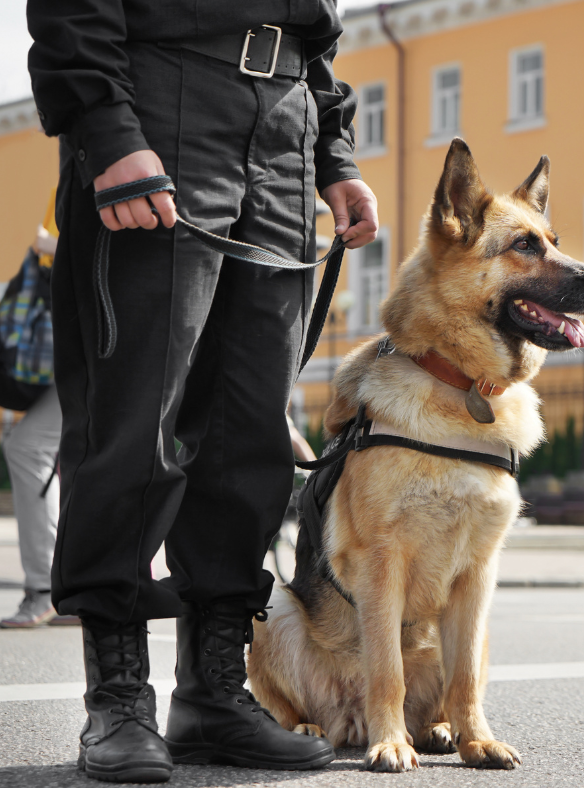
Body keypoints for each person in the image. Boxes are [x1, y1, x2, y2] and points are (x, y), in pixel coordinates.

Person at [27, 1, 378, 782]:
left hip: (283, 132)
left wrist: (334, 155)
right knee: (134, 423)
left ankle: (212, 693)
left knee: (249, 434)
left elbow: (314, 33)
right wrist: (108, 131)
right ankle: (118, 698)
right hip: (160, 106)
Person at [0, 198, 69, 629]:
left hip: (105, 348)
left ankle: (48, 587)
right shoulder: (69, 174)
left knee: (27, 447)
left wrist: (52, 247)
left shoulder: (100, 158)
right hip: (87, 348)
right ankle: (74, 590)